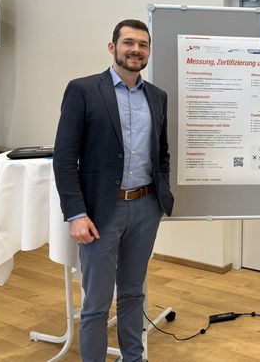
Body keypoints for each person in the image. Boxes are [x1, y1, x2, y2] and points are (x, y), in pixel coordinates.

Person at [53, 19, 174, 362]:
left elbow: (161, 153)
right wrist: (76, 214)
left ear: (148, 51)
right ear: (113, 48)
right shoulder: (83, 90)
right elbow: (64, 159)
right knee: (96, 303)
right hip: (101, 213)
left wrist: (159, 198)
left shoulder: (157, 97)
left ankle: (133, 358)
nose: (136, 50)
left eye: (143, 44)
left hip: (146, 207)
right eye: (128, 43)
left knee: (134, 294)